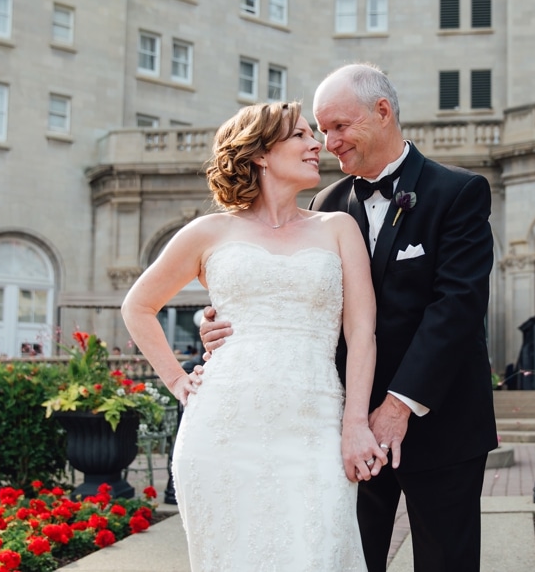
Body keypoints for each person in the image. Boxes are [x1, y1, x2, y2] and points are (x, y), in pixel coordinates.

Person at [202, 63, 498, 572]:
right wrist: (228, 320)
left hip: (441, 421)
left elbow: (457, 308)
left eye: (339, 126)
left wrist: (399, 405)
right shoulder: (326, 203)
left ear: (382, 112)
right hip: (344, 428)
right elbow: (301, 300)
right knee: (349, 560)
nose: (328, 142)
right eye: (321, 129)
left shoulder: (459, 192)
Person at [121, 101, 386, 571]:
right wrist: (179, 381)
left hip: (316, 425)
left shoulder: (339, 228)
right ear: (261, 153)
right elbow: (138, 306)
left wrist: (355, 424)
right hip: (222, 428)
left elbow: (362, 332)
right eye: (300, 135)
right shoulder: (208, 231)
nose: (316, 145)